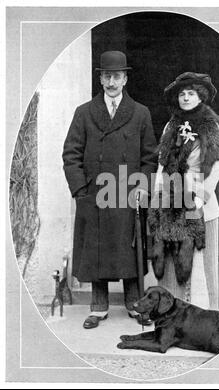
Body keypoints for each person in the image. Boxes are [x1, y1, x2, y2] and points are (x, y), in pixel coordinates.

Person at [62, 51, 157, 329]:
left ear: (125, 79)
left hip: (128, 194)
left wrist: (142, 187)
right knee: (97, 250)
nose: (111, 81)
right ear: (101, 79)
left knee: (129, 248)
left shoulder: (140, 113)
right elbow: (71, 154)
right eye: (107, 76)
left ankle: (134, 304)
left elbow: (150, 157)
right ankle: (99, 307)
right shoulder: (84, 112)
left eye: (117, 76)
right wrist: (81, 191)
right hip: (95, 196)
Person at [149, 72, 219, 310]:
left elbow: (216, 166)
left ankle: (203, 312)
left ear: (200, 96)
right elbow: (162, 163)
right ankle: (173, 314)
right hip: (171, 201)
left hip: (199, 201)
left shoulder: (211, 125)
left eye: (190, 93)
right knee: (172, 260)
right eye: (182, 94)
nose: (185, 98)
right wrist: (158, 196)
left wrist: (200, 198)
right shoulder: (171, 124)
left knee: (199, 260)